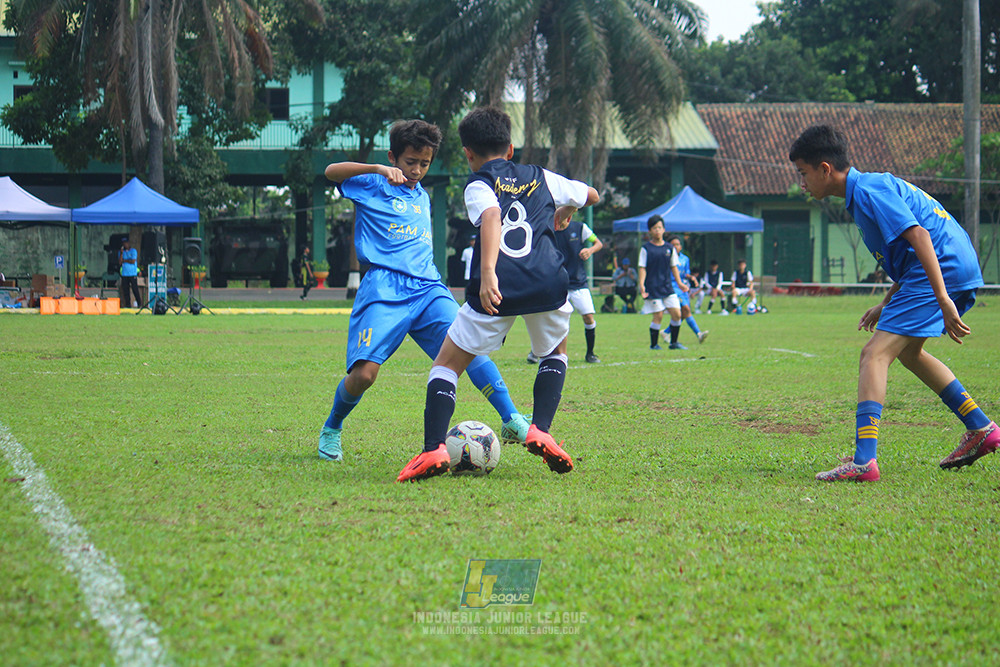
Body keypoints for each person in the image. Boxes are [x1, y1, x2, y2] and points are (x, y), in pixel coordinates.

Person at [398, 106, 599, 482]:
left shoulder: (478, 183)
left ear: (468, 154)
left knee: (446, 365)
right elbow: (593, 194)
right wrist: (568, 206)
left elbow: (491, 217)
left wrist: (488, 272)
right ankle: (540, 427)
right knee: (555, 352)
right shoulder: (542, 176)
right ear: (510, 149)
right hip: (548, 282)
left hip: (500, 287)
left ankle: (432, 450)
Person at [789, 124, 997, 482]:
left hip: (942, 267)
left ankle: (864, 462)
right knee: (908, 353)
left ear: (825, 169)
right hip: (951, 265)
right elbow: (905, 256)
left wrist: (943, 297)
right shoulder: (863, 194)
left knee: (874, 354)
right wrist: (886, 303)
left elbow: (919, 235)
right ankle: (981, 428)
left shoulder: (869, 190)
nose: (802, 183)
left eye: (803, 174)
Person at [318, 119, 531, 462]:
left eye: (424, 164)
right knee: (364, 375)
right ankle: (332, 428)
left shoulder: (423, 196)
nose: (416, 170)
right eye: (409, 162)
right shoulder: (372, 183)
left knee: (469, 347)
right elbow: (331, 171)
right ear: (393, 157)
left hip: (429, 288)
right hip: (384, 289)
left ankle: (512, 419)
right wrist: (378, 168)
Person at [527, 217, 603, 364]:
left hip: (578, 282)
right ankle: (536, 352)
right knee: (548, 319)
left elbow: (598, 243)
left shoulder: (580, 228)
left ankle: (590, 353)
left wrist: (590, 250)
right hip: (556, 283)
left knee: (588, 317)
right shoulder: (548, 228)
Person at [637, 215, 688, 350]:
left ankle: (674, 343)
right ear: (650, 231)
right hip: (653, 288)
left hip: (667, 287)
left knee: (677, 314)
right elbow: (642, 268)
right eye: (654, 228)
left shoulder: (669, 248)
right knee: (658, 315)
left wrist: (680, 283)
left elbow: (674, 267)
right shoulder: (646, 249)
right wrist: (641, 285)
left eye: (660, 228)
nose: (657, 231)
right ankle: (654, 345)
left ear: (664, 229)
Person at [668, 235, 708, 344]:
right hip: (672, 287)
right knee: (686, 309)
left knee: (684, 313)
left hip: (682, 287)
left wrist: (692, 278)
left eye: (677, 244)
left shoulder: (685, 259)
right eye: (673, 245)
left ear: (681, 246)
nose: (675, 246)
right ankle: (699, 334)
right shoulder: (667, 258)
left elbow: (686, 273)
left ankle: (666, 332)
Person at [118, 238, 141, 308]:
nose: (125, 244)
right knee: (126, 290)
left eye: (126, 243)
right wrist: (122, 253)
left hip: (132, 273)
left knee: (135, 289)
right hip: (125, 273)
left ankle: (139, 303)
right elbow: (120, 262)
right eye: (124, 243)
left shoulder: (133, 251)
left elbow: (133, 261)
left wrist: (125, 260)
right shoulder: (121, 252)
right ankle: (128, 304)